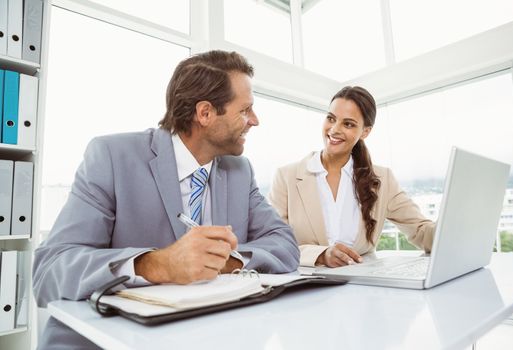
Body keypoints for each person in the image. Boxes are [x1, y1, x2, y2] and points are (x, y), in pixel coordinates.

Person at [33, 50, 299, 349]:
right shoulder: (111, 156)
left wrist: (227, 261)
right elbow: (49, 270)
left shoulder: (239, 171)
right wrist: (157, 265)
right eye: (245, 110)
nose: (255, 120)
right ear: (205, 113)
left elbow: (284, 242)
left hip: (211, 336)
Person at [268, 86, 434, 267]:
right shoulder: (286, 177)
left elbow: (421, 231)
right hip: (307, 287)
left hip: (362, 287)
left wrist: (459, 226)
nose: (334, 130)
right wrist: (321, 255)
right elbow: (274, 243)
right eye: (331, 118)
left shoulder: (382, 179)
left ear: (365, 132)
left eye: (348, 124)